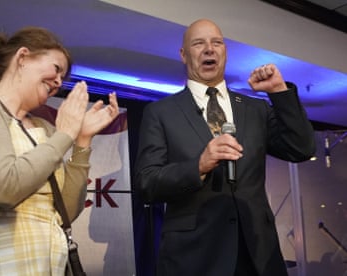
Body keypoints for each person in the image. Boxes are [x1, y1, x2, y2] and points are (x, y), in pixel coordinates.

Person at [0, 26, 119, 275]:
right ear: (23, 57)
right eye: (57, 68)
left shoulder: (44, 129)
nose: (59, 82)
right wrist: (65, 135)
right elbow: (4, 187)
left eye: (64, 78)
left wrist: (82, 140)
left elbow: (66, 212)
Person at [134, 19, 315, 276]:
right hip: (195, 259)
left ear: (225, 52)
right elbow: (146, 183)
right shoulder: (160, 113)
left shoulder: (255, 109)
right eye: (199, 43)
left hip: (259, 257)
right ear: (184, 55)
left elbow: (302, 147)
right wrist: (198, 166)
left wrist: (279, 92)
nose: (209, 49)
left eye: (216, 42)